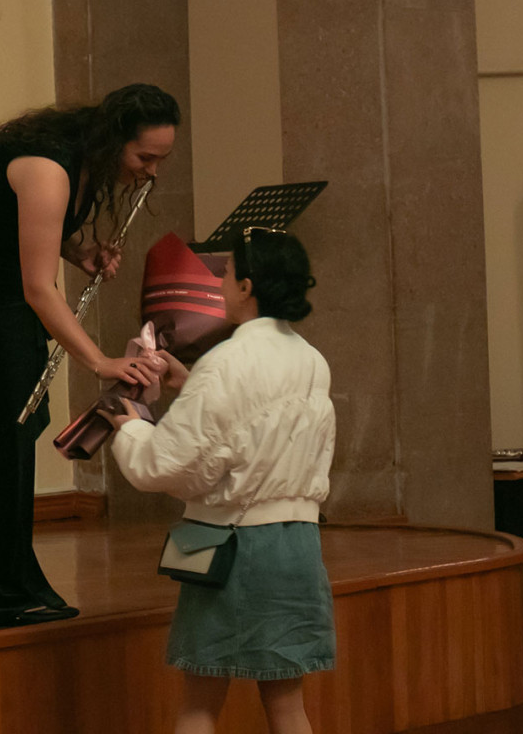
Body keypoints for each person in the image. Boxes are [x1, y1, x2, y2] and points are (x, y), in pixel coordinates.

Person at [0, 83, 180, 628]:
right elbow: (38, 289)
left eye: (160, 161)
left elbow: (21, 229)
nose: (152, 173)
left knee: (0, 430)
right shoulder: (49, 165)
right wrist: (100, 362)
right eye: (145, 158)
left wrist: (80, 252)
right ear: (114, 138)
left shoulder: (80, 157)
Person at [108, 227, 336, 734]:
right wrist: (191, 386)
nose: (220, 283)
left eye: (227, 273)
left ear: (247, 287)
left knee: (200, 704)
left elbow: (163, 466)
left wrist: (132, 427)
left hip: (234, 546)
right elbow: (259, 430)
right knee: (287, 706)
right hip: (298, 545)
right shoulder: (311, 359)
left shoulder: (225, 361)